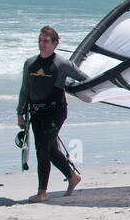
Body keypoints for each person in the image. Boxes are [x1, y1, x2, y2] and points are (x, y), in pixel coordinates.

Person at [17, 26, 88, 202]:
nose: (42, 44)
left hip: (55, 112)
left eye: (46, 41)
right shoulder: (30, 63)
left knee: (42, 149)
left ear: (55, 44)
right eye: (40, 40)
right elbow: (25, 89)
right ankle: (72, 177)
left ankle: (42, 193)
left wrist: (71, 87)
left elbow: (84, 79)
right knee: (49, 148)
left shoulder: (62, 64)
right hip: (36, 112)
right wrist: (20, 113)